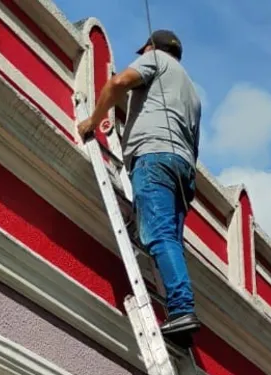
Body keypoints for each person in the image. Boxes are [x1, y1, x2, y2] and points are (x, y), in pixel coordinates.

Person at [77, 29, 203, 349]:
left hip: (153, 157)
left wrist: (94, 120)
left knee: (158, 235)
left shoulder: (154, 59)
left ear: (150, 47)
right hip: (182, 168)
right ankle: (181, 313)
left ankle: (182, 309)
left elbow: (117, 83)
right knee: (170, 238)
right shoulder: (190, 91)